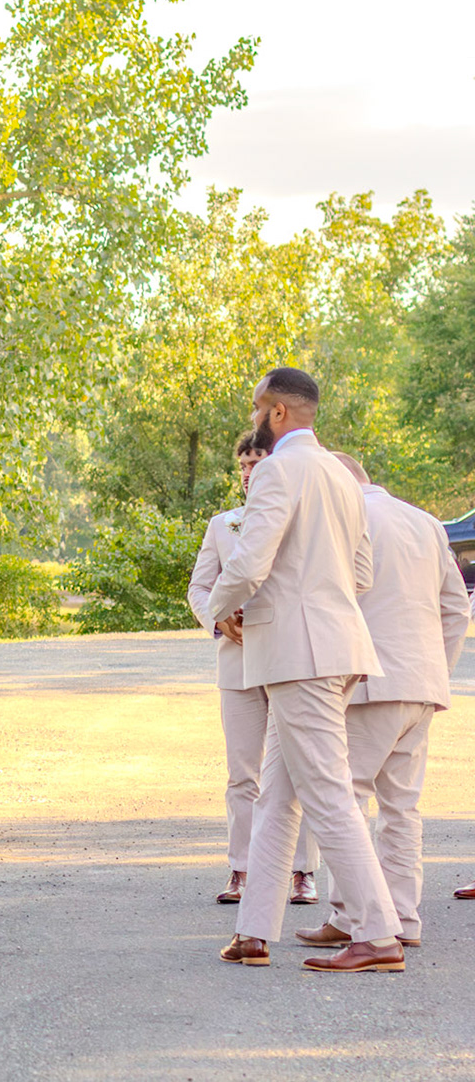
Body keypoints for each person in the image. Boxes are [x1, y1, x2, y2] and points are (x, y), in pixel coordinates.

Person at [208, 367, 404, 973]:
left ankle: (378, 935)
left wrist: (221, 607)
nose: (253, 420)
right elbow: (362, 573)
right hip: (333, 647)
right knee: (278, 795)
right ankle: (253, 932)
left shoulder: (278, 470)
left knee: (326, 792)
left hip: (300, 655)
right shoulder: (343, 477)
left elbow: (250, 561)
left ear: (278, 412)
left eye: (256, 409)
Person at [293, 453, 469, 950]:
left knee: (344, 800)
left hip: (365, 683)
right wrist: (437, 671)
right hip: (422, 686)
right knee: (402, 808)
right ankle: (404, 918)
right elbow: (456, 608)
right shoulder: (426, 523)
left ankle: (354, 918)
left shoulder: (343, 518)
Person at [188, 431, 323, 907]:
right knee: (242, 773)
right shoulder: (221, 525)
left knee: (299, 768)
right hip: (238, 663)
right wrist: (219, 619)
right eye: (242, 465)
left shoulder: (299, 520)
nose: (248, 473)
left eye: (256, 462)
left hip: (288, 657)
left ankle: (302, 871)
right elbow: (200, 588)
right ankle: (241, 869)